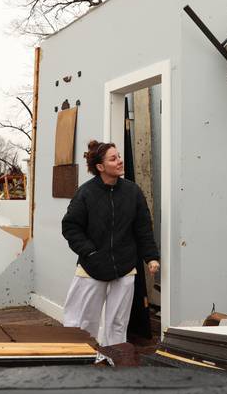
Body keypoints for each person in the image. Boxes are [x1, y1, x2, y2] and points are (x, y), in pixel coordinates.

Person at [61, 140, 160, 346]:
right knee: (83, 321)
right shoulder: (85, 193)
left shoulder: (133, 192)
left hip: (124, 267)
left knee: (118, 323)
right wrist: (89, 252)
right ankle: (84, 360)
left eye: (119, 156)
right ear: (100, 167)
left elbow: (143, 227)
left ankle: (115, 361)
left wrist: (150, 257)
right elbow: (71, 227)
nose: (120, 161)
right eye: (113, 159)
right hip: (92, 266)